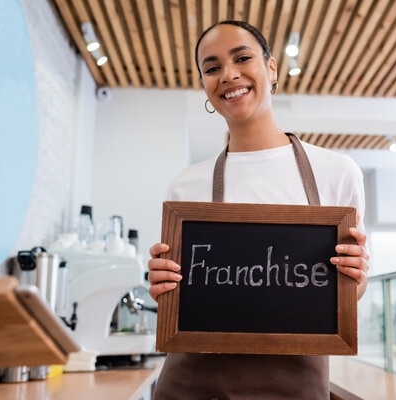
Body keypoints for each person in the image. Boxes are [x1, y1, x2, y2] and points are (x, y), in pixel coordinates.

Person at [147, 20, 369, 399]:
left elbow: (353, 289)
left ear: (271, 68)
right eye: (212, 68)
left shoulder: (337, 172)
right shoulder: (186, 186)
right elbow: (178, 295)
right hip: (192, 387)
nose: (228, 74)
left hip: (293, 386)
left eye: (242, 58)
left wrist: (355, 274)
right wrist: (163, 284)